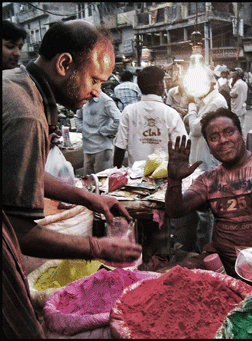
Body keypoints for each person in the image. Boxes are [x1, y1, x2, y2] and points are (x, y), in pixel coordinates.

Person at [2, 19, 141, 339]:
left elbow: (26, 172)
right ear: (64, 64)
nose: (96, 92)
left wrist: (89, 197)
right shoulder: (25, 112)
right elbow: (19, 231)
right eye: (94, 79)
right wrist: (97, 247)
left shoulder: (17, 82)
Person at [166, 108, 252, 277]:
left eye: (229, 132)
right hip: (222, 263)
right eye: (213, 138)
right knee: (176, 274)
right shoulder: (208, 179)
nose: (223, 140)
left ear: (241, 135)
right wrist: (174, 180)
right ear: (210, 149)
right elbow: (176, 211)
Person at [183, 67, 228, 252]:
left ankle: (205, 249)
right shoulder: (207, 101)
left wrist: (191, 109)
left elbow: (195, 128)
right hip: (200, 159)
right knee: (200, 206)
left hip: (208, 161)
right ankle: (200, 245)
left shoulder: (216, 102)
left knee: (206, 211)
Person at [113, 66, 187, 168]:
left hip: (136, 177)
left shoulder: (128, 112)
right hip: (164, 176)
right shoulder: (171, 114)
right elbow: (182, 148)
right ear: (161, 84)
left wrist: (116, 173)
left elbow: (120, 147)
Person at [75, 91, 121, 175]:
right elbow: (78, 117)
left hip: (102, 149)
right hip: (87, 149)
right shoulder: (84, 99)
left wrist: (103, 130)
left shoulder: (106, 101)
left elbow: (120, 121)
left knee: (103, 181)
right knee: (88, 182)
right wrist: (83, 129)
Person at [229, 67, 248, 132]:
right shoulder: (244, 83)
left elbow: (232, 94)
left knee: (237, 125)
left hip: (237, 107)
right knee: (242, 125)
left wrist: (231, 87)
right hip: (242, 106)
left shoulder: (237, 84)